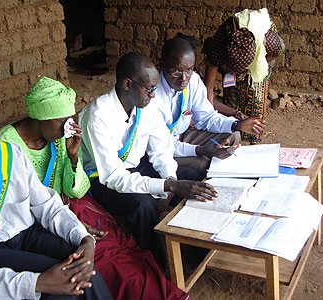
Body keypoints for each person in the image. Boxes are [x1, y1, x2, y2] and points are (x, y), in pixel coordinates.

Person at [0, 77, 190, 300]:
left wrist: (72, 157)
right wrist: (70, 221)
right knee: (106, 257)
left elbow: (77, 190)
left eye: (69, 118)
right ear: (40, 117)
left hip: (73, 205)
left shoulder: (58, 138)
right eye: (61, 120)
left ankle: (163, 291)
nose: (67, 126)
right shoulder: (7, 146)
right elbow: (16, 206)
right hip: (43, 219)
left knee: (122, 247)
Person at [0, 97, 112, 300]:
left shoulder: (9, 154)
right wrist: (38, 282)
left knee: (82, 267)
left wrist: (85, 239)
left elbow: (47, 205)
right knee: (67, 283)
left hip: (28, 232)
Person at [79, 52, 219, 275]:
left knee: (192, 175)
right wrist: (167, 186)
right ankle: (160, 270)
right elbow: (113, 177)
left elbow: (161, 148)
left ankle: (197, 250)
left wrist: (171, 179)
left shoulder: (145, 106)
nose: (154, 95)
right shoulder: (97, 116)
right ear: (127, 84)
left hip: (134, 166)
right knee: (143, 205)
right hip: (102, 179)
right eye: (150, 89)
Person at [154, 34, 266, 177]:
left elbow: (207, 117)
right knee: (202, 164)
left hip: (181, 135)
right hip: (161, 148)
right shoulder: (151, 93)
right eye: (176, 71)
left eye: (189, 70)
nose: (183, 78)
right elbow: (160, 146)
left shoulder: (192, 81)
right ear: (163, 64)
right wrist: (201, 150)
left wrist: (238, 124)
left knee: (233, 135)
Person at [203, 8, 285, 144]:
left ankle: (254, 143)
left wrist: (249, 70)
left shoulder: (270, 43)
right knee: (231, 95)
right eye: (233, 69)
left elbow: (278, 52)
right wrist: (227, 113)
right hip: (232, 64)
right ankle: (233, 137)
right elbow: (209, 86)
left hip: (258, 63)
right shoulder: (217, 49)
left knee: (256, 102)